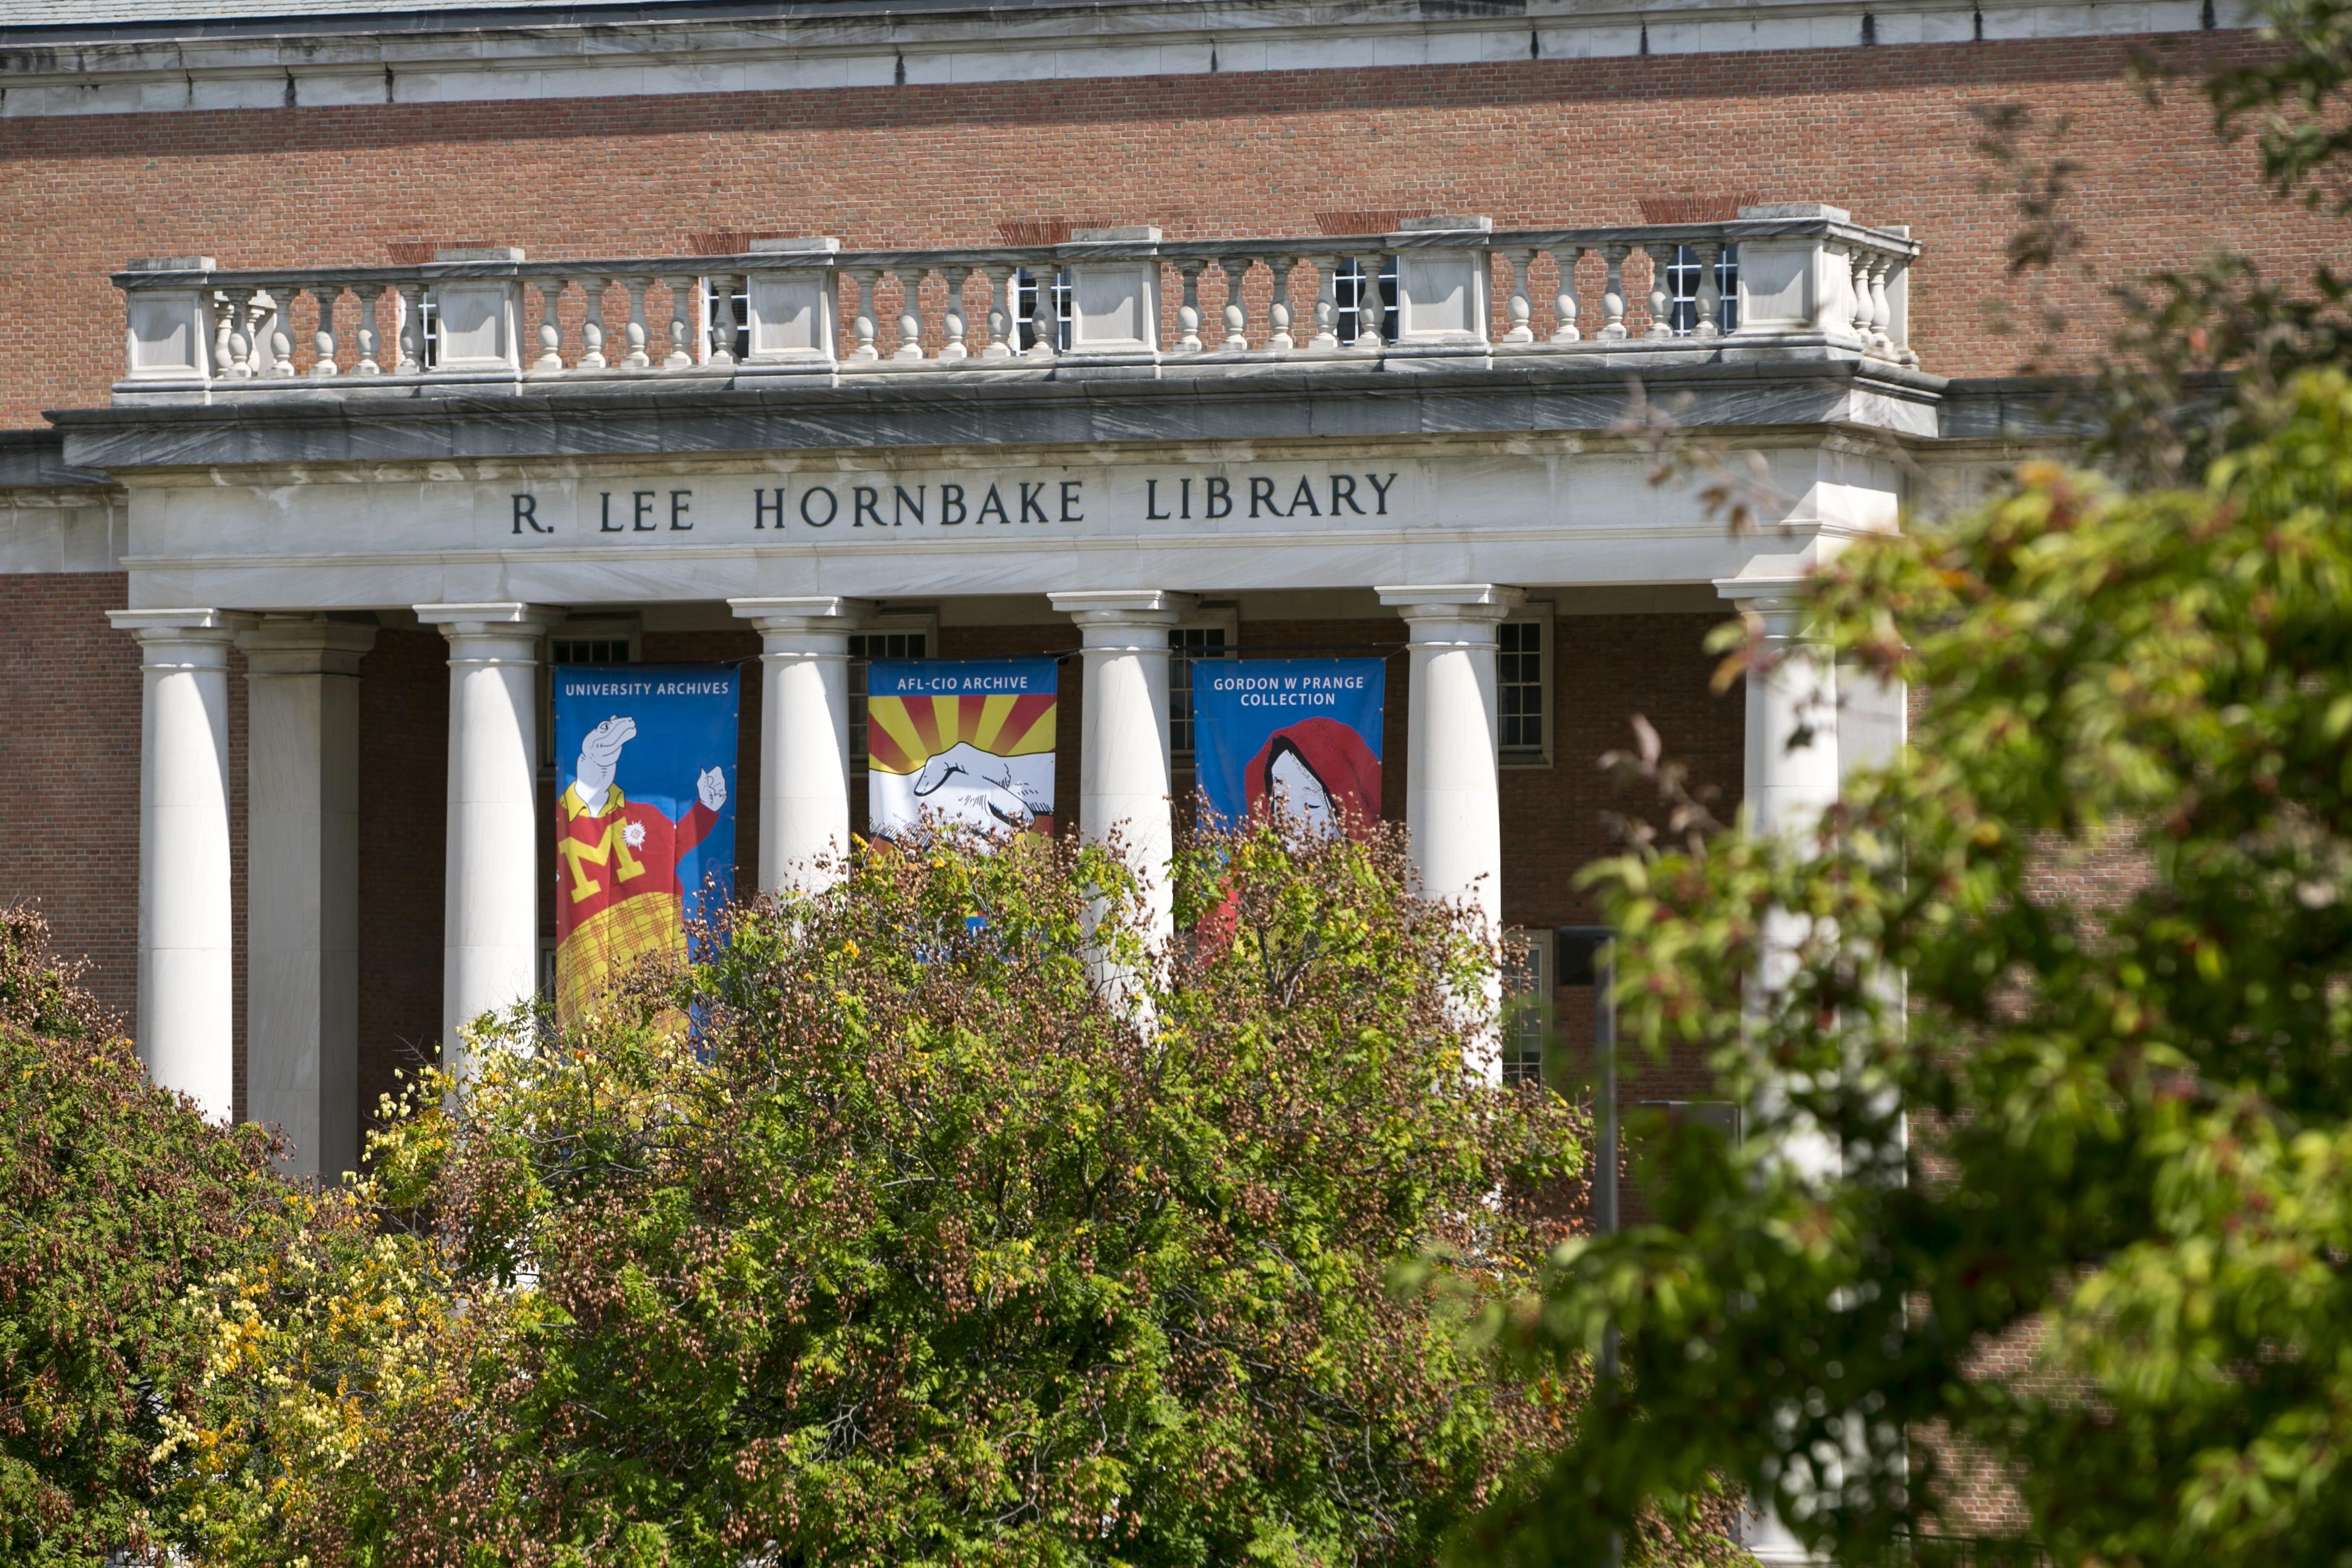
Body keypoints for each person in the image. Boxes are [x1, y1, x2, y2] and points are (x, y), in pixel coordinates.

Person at [554, 714, 728, 1025]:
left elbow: (680, 837)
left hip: (655, 955)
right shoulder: (563, 820)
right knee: (588, 1047)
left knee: (663, 1050)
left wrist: (707, 805)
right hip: (588, 960)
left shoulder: (642, 815)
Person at [1242, 716, 1381, 843]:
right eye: (1281, 801)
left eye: (1311, 805)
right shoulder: (1259, 867)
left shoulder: (1365, 868)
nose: (1294, 820)